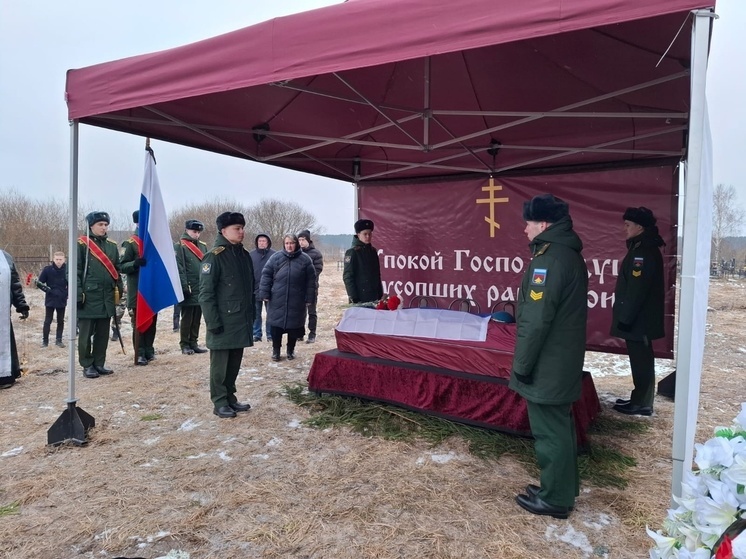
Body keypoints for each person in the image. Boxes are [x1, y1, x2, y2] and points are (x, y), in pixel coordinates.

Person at [509, 194, 588, 520]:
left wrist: (522, 366)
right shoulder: (564, 255)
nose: (525, 229)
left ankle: (555, 499)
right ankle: (560, 489)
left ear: (543, 224)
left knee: (550, 431)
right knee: (560, 426)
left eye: (528, 222)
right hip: (561, 359)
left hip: (548, 362)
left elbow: (536, 320)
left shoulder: (548, 260)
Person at [610, 207, 665, 417]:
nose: (624, 228)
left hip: (638, 320)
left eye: (628, 225)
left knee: (641, 360)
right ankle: (640, 398)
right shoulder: (641, 247)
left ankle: (642, 402)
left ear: (639, 227)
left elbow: (637, 289)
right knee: (640, 359)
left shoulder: (642, 251)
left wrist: (625, 319)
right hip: (639, 319)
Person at [199, 212, 255, 419]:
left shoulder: (243, 255)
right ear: (223, 231)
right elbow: (205, 294)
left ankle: (230, 397)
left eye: (242, 228)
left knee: (234, 363)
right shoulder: (214, 256)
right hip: (222, 320)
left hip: (240, 319)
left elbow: (249, 290)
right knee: (220, 365)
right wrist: (212, 322)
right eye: (236, 228)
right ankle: (219, 401)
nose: (242, 232)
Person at [77, 211, 123, 379]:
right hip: (88, 297)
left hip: (106, 296)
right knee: (85, 335)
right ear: (91, 226)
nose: (104, 228)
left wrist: (119, 289)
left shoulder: (111, 245)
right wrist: (77, 295)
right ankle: (87, 364)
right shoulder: (81, 244)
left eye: (105, 225)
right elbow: (75, 271)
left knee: (103, 333)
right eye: (100, 225)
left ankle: (99, 363)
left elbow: (116, 269)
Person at [259, 233, 316, 362]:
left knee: (293, 327)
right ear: (284, 244)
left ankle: (290, 350)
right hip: (277, 297)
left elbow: (311, 281)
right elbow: (266, 275)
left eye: (292, 243)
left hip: (297, 299)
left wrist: (309, 298)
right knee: (276, 326)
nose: (289, 246)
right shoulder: (276, 258)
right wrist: (265, 293)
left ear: (296, 244)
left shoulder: (305, 259)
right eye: (287, 243)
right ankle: (276, 351)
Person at [120, 210, 156, 366]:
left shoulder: (154, 242)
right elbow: (121, 266)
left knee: (152, 322)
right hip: (137, 291)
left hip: (152, 290)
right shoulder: (130, 243)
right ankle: (140, 353)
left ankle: (149, 350)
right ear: (137, 223)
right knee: (139, 322)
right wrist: (134, 264)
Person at [175, 219, 208, 355]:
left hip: (201, 286)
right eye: (194, 231)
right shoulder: (180, 246)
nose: (196, 234)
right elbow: (179, 268)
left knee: (197, 317)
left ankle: (194, 342)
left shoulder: (203, 246)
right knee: (187, 318)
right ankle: (184, 344)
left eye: (198, 232)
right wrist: (183, 286)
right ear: (187, 230)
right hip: (188, 287)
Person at [0, 250, 30, 389]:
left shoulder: (5, 257)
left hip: (2, 314)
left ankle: (5, 376)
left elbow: (15, 284)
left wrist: (21, 304)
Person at [343, 218, 383, 304]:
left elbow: (377, 275)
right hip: (360, 297)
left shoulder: (373, 251)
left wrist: (380, 294)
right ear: (358, 234)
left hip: (374, 297)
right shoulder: (352, 252)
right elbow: (348, 277)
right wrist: (354, 298)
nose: (368, 237)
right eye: (365, 234)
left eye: (370, 234)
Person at [37, 251, 68, 348]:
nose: (58, 261)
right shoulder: (47, 270)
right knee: (48, 320)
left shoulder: (68, 270)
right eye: (57, 259)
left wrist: (66, 293)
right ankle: (45, 341)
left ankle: (59, 340)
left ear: (64, 260)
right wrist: (47, 290)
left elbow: (72, 283)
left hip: (62, 299)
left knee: (60, 320)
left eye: (60, 259)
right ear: (53, 259)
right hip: (50, 298)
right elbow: (39, 283)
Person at [297, 229, 323, 343]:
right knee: (299, 311)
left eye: (303, 240)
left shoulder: (316, 254)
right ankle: (299, 333)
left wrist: (305, 276)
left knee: (311, 311)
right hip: (298, 288)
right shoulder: (296, 253)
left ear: (308, 240)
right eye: (299, 240)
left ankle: (312, 334)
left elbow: (318, 269)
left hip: (311, 287)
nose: (301, 242)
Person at [249, 233, 276, 342]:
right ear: (257, 242)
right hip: (255, 289)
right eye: (260, 241)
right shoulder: (251, 255)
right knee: (256, 314)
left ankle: (270, 334)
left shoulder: (274, 255)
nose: (262, 243)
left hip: (271, 290)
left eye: (264, 241)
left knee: (271, 313)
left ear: (268, 242)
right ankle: (256, 334)